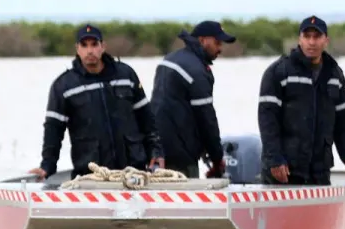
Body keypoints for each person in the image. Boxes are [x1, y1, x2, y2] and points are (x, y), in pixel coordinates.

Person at [28, 24, 164, 181]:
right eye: (84, 45)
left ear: (103, 46)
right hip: (91, 176)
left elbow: (146, 118)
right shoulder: (63, 86)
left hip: (134, 172)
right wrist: (47, 166)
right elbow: (53, 131)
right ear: (77, 49)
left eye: (94, 44)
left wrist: (156, 151)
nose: (90, 50)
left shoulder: (126, 74)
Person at [257, 17, 345, 185]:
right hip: (284, 171)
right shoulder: (278, 72)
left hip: (319, 172)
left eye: (317, 37)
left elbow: (343, 123)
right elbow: (267, 121)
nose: (312, 42)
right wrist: (275, 159)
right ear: (299, 39)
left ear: (326, 41)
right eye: (307, 36)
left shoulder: (335, 75)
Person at [152, 20, 234, 178]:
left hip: (157, 152)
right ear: (202, 40)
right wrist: (217, 158)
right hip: (181, 157)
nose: (220, 48)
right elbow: (206, 119)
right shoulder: (197, 71)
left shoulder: (169, 59)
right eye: (217, 42)